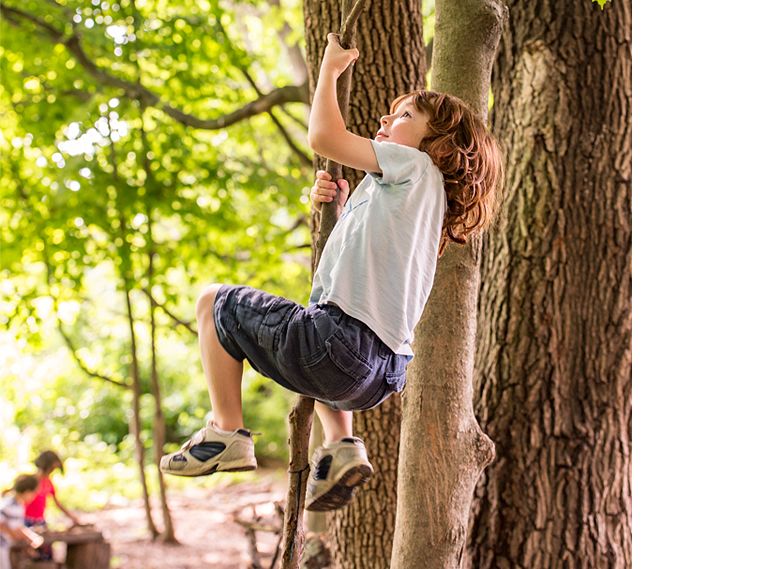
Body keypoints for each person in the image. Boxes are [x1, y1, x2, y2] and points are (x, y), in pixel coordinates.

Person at [160, 33, 503, 512]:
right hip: (379, 373)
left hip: (340, 345)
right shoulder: (418, 204)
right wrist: (339, 207)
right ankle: (342, 446)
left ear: (440, 146)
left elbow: (324, 137)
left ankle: (226, 432)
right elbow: (359, 262)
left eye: (404, 116)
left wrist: (329, 71)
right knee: (317, 327)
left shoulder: (415, 166)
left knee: (213, 302)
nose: (386, 119)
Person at [25, 451, 82, 541]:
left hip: (40, 522)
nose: (52, 471)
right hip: (26, 521)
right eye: (52, 468)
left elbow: (57, 503)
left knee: (46, 550)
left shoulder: (48, 482)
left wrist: (72, 517)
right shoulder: (31, 481)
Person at [1, 474, 43, 569]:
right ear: (27, 492)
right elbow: (3, 524)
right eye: (34, 493)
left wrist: (31, 537)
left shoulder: (18, 505)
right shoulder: (10, 504)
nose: (34, 497)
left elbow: (17, 527)